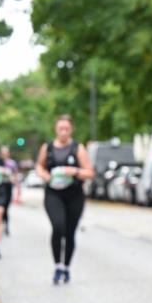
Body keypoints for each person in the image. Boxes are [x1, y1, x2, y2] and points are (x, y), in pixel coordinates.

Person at [35, 116, 94, 284]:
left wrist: (74, 171)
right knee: (58, 226)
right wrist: (45, 175)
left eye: (66, 129)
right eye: (60, 128)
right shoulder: (47, 147)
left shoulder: (78, 148)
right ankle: (57, 265)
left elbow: (89, 172)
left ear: (71, 129)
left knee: (69, 232)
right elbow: (39, 166)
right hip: (53, 193)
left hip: (74, 194)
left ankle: (66, 267)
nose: (63, 132)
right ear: (56, 129)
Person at [0, 145, 21, 237]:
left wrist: (18, 187)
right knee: (0, 207)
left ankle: (6, 225)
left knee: (6, 207)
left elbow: (16, 176)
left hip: (8, 187)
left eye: (6, 152)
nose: (4, 154)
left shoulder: (12, 163)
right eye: (2, 153)